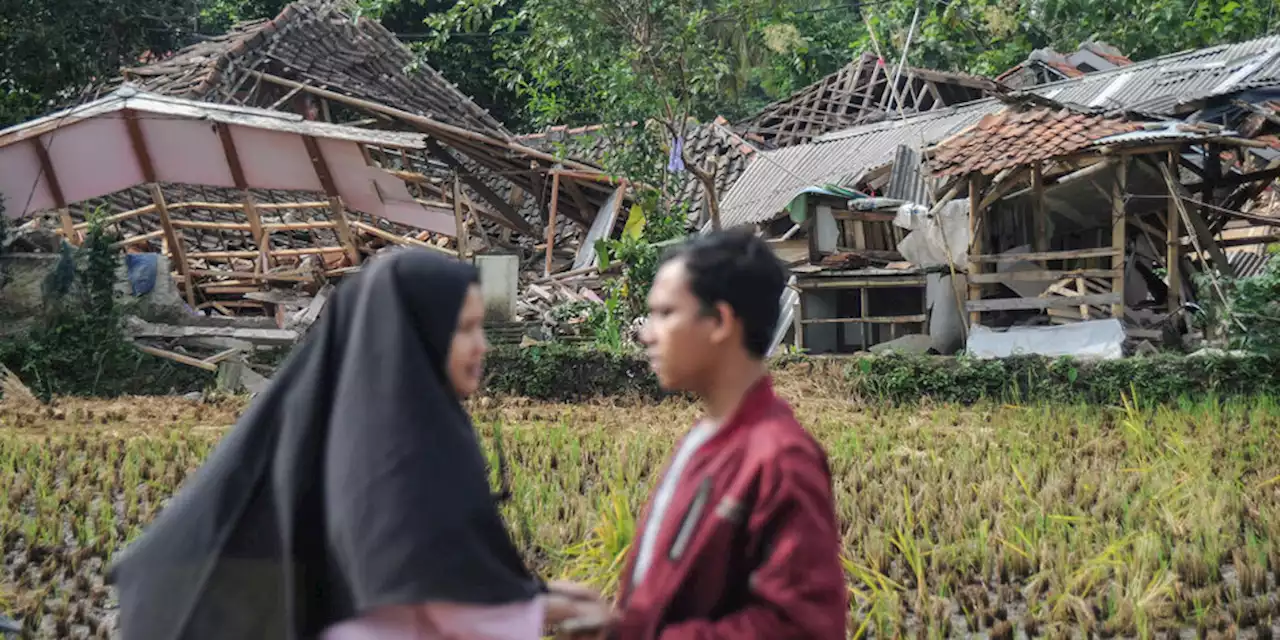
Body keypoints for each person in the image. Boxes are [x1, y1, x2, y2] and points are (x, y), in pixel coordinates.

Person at [108, 248, 605, 639]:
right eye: (467, 329)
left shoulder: (396, 425)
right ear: (421, 336)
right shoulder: (394, 452)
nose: (483, 345)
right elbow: (417, 595)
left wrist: (537, 596)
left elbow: (450, 568)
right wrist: (543, 607)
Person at [610, 229, 848, 639]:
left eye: (666, 314)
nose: (647, 334)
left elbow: (803, 627)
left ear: (720, 321)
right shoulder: (704, 438)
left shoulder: (780, 459)